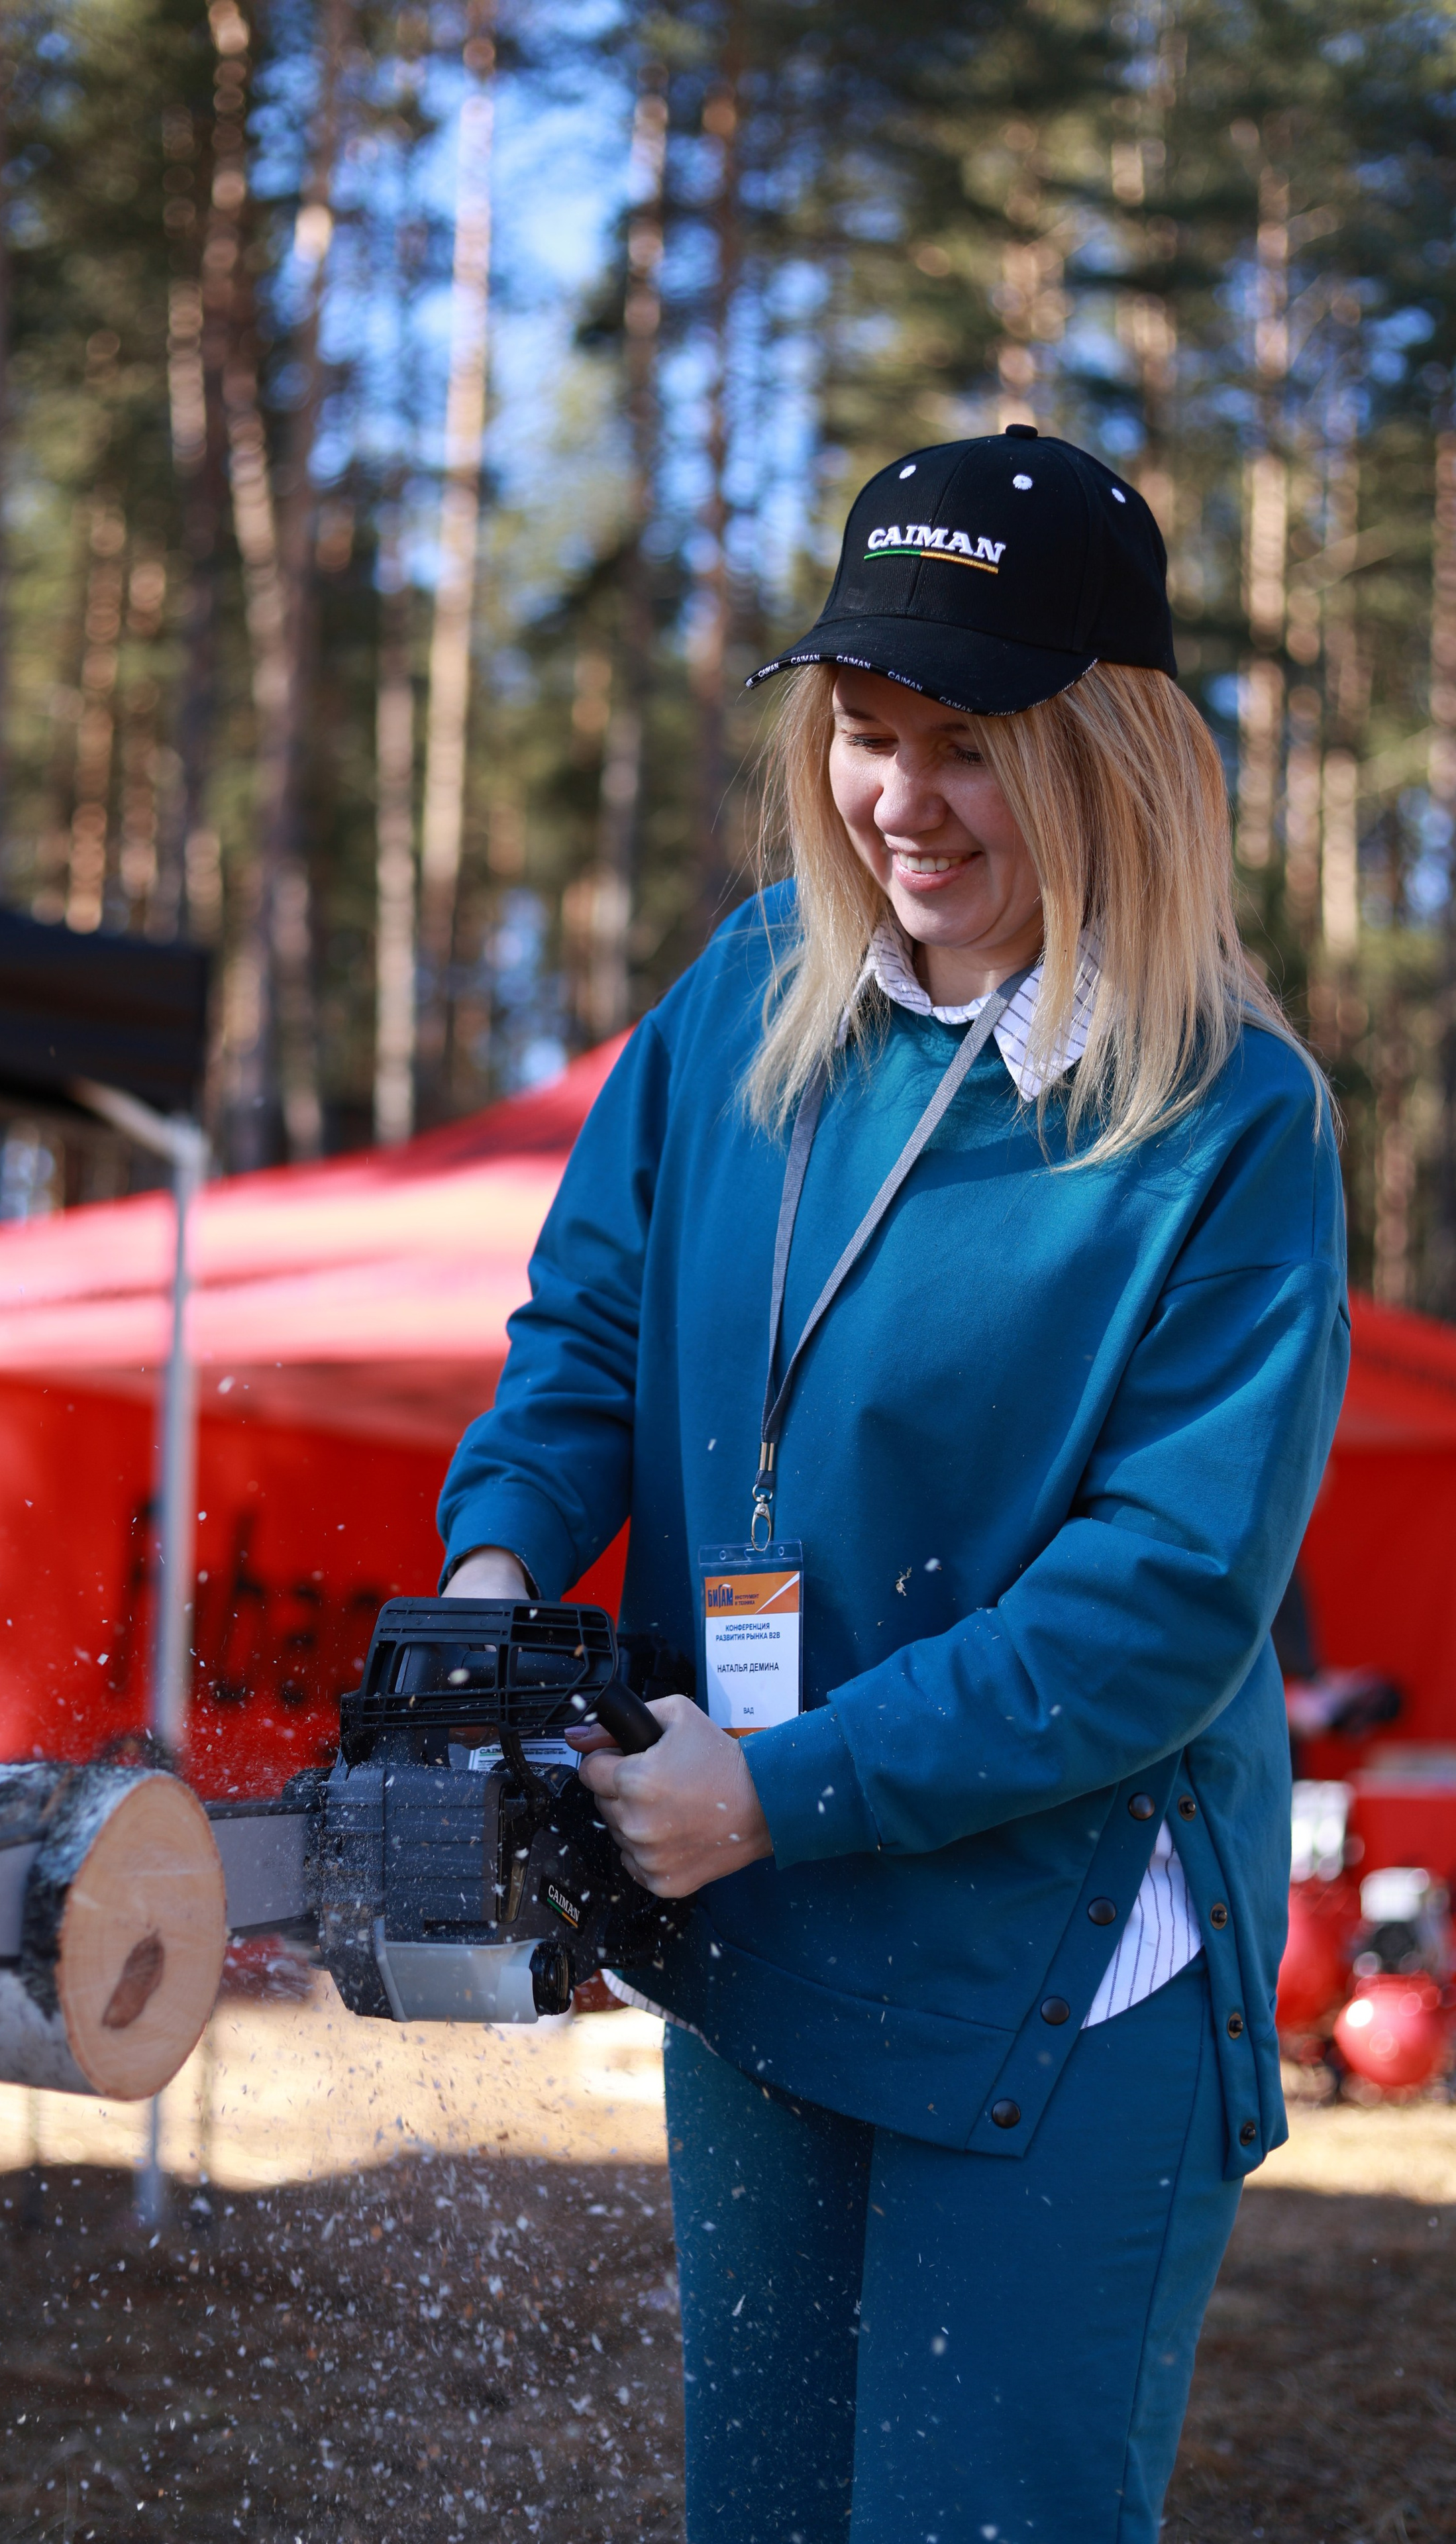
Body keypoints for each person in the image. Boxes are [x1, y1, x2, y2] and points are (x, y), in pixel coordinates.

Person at [441, 426, 1349, 2543]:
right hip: (755, 1907)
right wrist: (494, 1574)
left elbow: (1160, 1600)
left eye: (968, 746)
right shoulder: (741, 1000)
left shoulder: (1232, 1120)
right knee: (764, 2509)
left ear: (1114, 755)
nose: (901, 803)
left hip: (1062, 1958)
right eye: (866, 733)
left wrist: (777, 1787)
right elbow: (584, 1335)